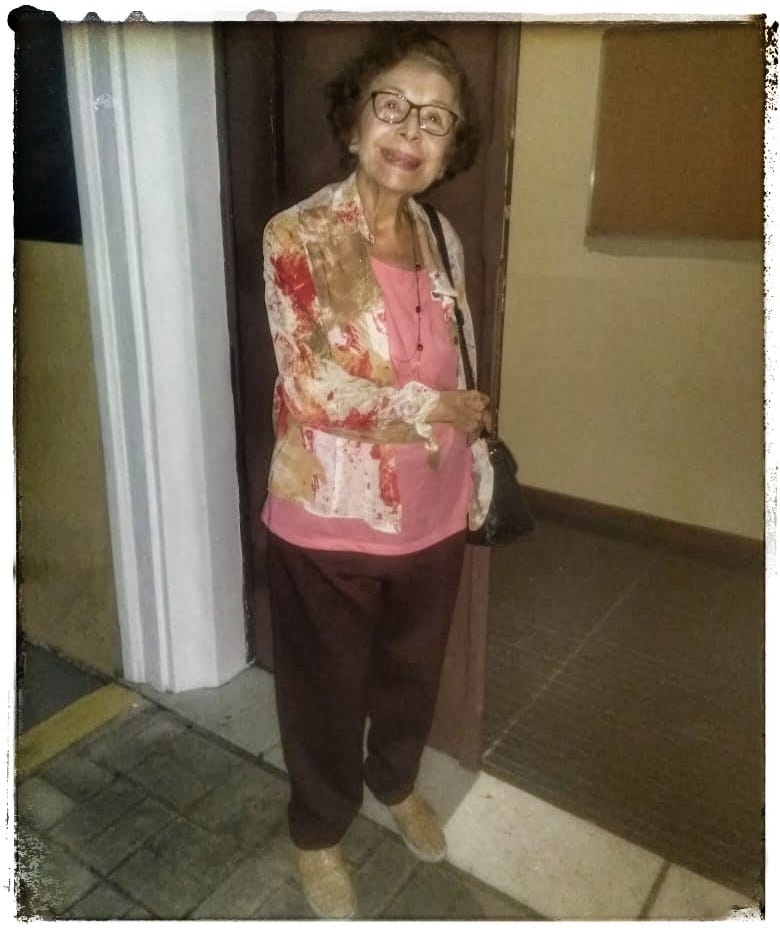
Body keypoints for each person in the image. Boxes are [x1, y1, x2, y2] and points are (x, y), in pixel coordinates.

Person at [261, 25, 494, 920]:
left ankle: (394, 780)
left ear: (450, 145)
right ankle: (318, 831)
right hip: (331, 513)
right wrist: (435, 410)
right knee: (324, 690)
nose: (410, 131)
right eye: (392, 106)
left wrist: (470, 451)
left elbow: (456, 359)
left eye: (436, 119)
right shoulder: (300, 234)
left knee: (411, 672)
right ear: (354, 120)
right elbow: (312, 387)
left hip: (434, 510)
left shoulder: (441, 236)